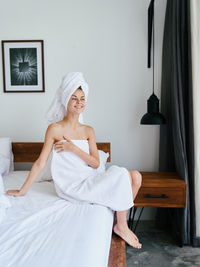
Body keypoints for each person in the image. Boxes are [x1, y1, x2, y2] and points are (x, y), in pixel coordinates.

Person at [6, 72, 142, 249]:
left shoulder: (88, 130)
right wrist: (23, 190)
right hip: (71, 186)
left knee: (136, 177)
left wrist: (73, 149)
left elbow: (95, 163)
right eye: (74, 98)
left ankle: (117, 221)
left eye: (82, 98)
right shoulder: (54, 129)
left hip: (88, 178)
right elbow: (40, 163)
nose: (79, 103)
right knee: (122, 174)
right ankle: (122, 226)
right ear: (65, 100)